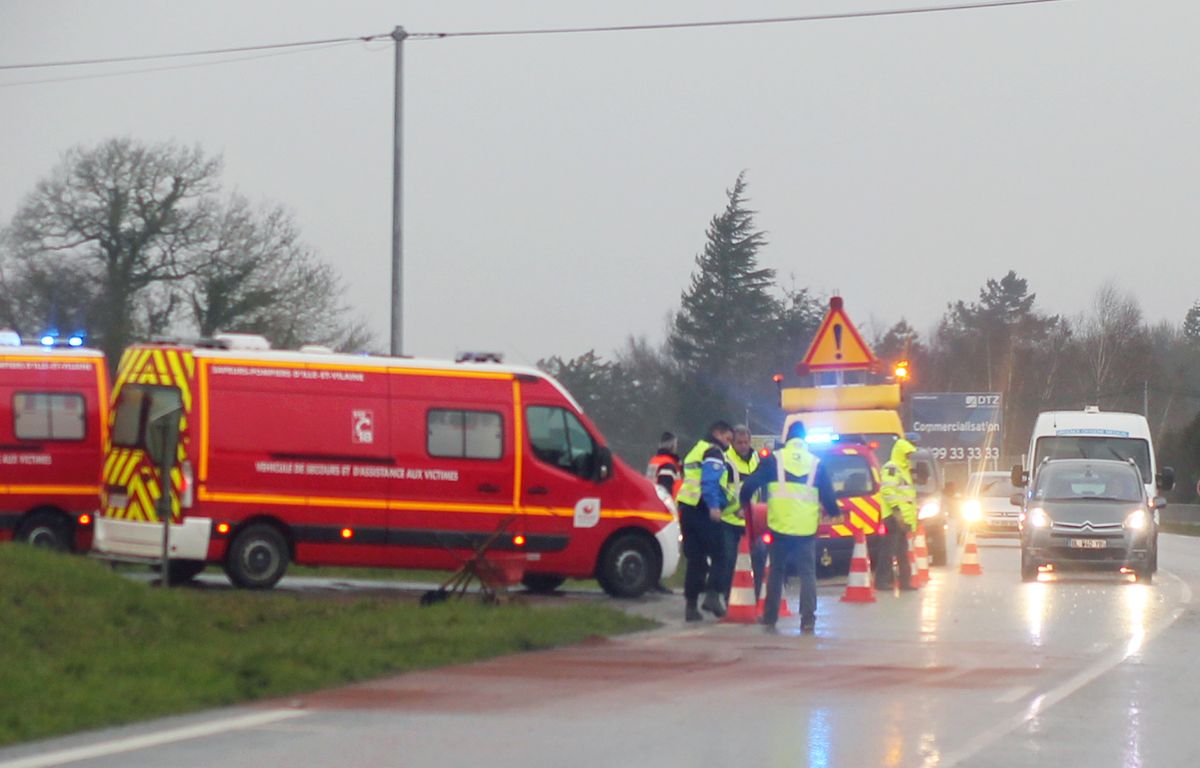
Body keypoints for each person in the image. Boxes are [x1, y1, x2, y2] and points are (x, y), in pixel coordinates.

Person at [739, 421, 838, 634]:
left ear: (787, 437)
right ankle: (808, 619)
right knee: (807, 574)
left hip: (780, 526)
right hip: (806, 529)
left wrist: (744, 503)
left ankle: (770, 616)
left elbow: (749, 485)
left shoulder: (774, 460)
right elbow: (830, 498)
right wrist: (833, 511)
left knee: (776, 570)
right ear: (804, 438)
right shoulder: (816, 463)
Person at [676, 420, 735, 622]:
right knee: (721, 555)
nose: (730, 442)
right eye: (728, 437)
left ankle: (690, 607)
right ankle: (712, 596)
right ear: (717, 433)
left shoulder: (696, 449)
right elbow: (709, 481)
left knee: (696, 560)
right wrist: (714, 506)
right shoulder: (713, 452)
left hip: (687, 509)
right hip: (703, 509)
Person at [716, 425, 765, 603]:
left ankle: (756, 597)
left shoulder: (756, 460)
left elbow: (762, 488)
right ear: (733, 443)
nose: (743, 446)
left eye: (746, 442)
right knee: (729, 561)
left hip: (752, 520)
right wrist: (734, 508)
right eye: (739, 442)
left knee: (759, 557)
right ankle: (729, 599)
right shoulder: (726, 460)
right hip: (730, 519)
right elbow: (720, 489)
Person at [877, 438, 919, 591]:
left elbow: (906, 496)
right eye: (907, 454)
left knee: (902, 550)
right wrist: (896, 511)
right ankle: (882, 581)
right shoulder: (892, 468)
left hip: (901, 518)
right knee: (889, 550)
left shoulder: (903, 470)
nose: (909, 457)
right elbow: (888, 491)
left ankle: (905, 583)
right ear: (900, 453)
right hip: (894, 517)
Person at [645, 431, 683, 499]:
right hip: (667, 505)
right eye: (675, 444)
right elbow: (665, 491)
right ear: (672, 445)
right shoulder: (668, 465)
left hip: (652, 500)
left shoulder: (654, 460)